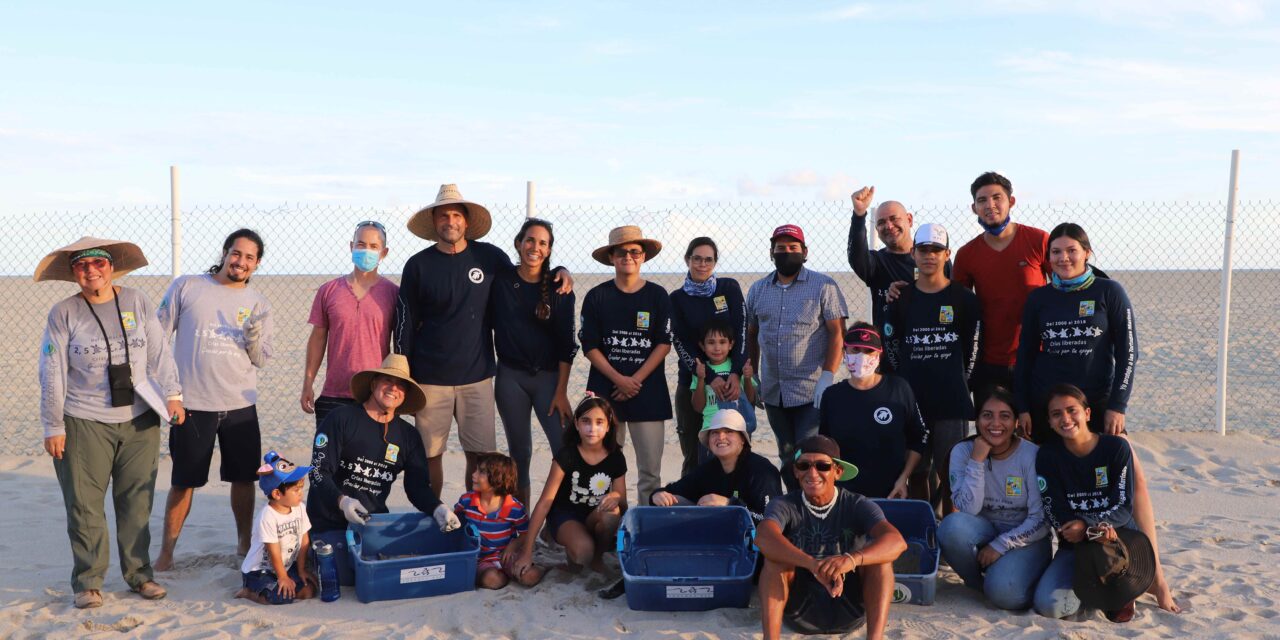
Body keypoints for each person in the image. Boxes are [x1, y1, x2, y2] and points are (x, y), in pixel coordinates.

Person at [1014, 222, 1179, 612]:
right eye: (1055, 252)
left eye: (1071, 250)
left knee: (1132, 481)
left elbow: (1128, 353)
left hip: (1100, 410)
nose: (1063, 258)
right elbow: (1024, 359)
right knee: (1058, 484)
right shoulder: (1040, 299)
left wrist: (1118, 405)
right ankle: (1075, 559)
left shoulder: (1109, 292)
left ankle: (1153, 574)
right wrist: (1023, 406)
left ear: (1087, 252)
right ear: (1047, 258)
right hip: (1050, 413)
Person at [395, 184, 571, 495]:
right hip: (429, 377)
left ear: (466, 221)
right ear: (434, 221)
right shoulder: (418, 265)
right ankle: (432, 514)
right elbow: (404, 322)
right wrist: (402, 372)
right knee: (430, 455)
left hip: (477, 377)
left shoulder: (489, 257)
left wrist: (560, 269)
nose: (451, 221)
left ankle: (474, 517)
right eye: (444, 215)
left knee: (479, 457)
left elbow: (529, 272)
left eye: (456, 215)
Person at [37, 237, 184, 608]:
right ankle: (88, 582)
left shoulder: (135, 299)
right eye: (82, 266)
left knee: (136, 501)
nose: (91, 271)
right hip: (83, 420)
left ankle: (139, 575)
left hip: (139, 419)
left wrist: (174, 393)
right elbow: (51, 370)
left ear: (111, 265)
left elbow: (158, 350)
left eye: (98, 263)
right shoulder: (63, 312)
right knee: (85, 505)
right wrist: (53, 425)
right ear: (74, 273)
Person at [155, 228, 272, 572]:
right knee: (184, 481)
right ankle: (166, 554)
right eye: (236, 253)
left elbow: (262, 358)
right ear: (225, 253)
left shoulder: (259, 303)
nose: (241, 261)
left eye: (249, 257)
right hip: (192, 404)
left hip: (239, 405)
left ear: (257, 264)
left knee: (244, 478)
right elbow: (158, 336)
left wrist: (251, 338)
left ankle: (243, 544)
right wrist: (169, 392)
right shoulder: (187, 286)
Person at [307, 354, 461, 586]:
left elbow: (416, 487)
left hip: (372, 523)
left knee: (389, 571)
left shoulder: (408, 436)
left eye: (401, 385)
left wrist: (438, 508)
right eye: (387, 381)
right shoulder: (340, 418)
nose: (393, 388)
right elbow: (318, 472)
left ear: (406, 395)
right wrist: (342, 501)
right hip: (330, 522)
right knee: (345, 577)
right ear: (373, 384)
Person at [757, 435, 906, 640]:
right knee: (774, 562)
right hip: (799, 610)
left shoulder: (857, 504)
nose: (812, 472)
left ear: (837, 471)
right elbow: (763, 537)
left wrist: (850, 560)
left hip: (850, 608)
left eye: (822, 466)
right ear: (795, 472)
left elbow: (896, 541)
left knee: (881, 563)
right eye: (804, 465)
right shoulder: (784, 505)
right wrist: (813, 565)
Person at [884, 223, 981, 513]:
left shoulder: (964, 299)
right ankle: (922, 527)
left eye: (936, 250)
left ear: (947, 254)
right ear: (913, 253)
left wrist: (961, 380)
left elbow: (972, 347)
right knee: (916, 470)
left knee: (951, 471)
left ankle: (950, 532)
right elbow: (892, 344)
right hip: (912, 401)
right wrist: (906, 381)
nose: (930, 256)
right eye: (924, 250)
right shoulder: (901, 298)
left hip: (951, 400)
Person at [1033, 385, 1147, 622]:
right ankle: (1089, 588)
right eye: (1056, 414)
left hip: (1116, 540)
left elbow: (1124, 507)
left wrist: (1088, 527)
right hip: (1074, 543)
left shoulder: (1115, 448)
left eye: (1072, 410)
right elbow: (1053, 508)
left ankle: (1120, 584)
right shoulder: (1047, 455)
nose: (1065, 418)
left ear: (1087, 413)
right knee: (1049, 607)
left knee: (1118, 608)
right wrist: (1077, 531)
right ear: (1050, 422)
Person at [747, 224, 848, 488]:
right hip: (773, 391)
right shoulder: (758, 289)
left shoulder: (823, 286)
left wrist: (828, 375)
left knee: (810, 454)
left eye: (793, 248)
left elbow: (837, 333)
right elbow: (751, 334)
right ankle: (794, 507)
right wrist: (754, 377)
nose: (786, 252)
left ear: (805, 252)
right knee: (787, 454)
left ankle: (818, 507)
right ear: (771, 253)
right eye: (780, 248)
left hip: (811, 390)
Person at [579, 225, 672, 506]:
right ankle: (609, 525)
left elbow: (663, 344)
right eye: (622, 252)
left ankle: (645, 527)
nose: (628, 256)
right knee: (604, 467)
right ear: (611, 257)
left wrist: (634, 381)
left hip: (649, 392)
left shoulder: (657, 296)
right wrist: (619, 379)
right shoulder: (597, 296)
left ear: (643, 256)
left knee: (649, 472)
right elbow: (590, 346)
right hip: (606, 392)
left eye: (635, 251)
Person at [936, 388, 1049, 611]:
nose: (995, 423)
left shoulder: (1031, 455)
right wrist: (977, 461)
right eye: (987, 415)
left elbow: (1041, 520)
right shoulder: (962, 451)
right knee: (950, 527)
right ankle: (977, 583)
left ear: (1016, 422)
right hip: (984, 528)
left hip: (1026, 536)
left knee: (1007, 597)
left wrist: (1001, 545)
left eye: (1004, 416)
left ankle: (1008, 577)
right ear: (977, 421)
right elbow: (968, 508)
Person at [491, 218, 577, 505]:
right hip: (510, 378)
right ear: (518, 243)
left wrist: (561, 391)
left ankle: (558, 522)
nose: (535, 247)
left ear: (549, 249)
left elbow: (567, 344)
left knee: (564, 450)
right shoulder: (501, 280)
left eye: (543, 243)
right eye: (530, 240)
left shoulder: (559, 287)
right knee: (520, 452)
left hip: (550, 380)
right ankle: (521, 520)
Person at [950, 172, 1048, 412]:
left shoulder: (1038, 240)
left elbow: (1065, 288)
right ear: (974, 208)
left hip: (1038, 359)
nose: (990, 205)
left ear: (1011, 201)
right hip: (989, 362)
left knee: (1036, 435)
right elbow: (955, 305)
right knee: (994, 434)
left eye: (997, 198)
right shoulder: (967, 254)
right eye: (982, 200)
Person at [514, 396, 628, 580]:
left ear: (608, 426)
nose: (592, 428)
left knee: (611, 514)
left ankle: (597, 559)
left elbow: (623, 501)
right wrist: (527, 552)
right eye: (586, 421)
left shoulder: (615, 457)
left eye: (599, 422)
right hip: (566, 515)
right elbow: (545, 502)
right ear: (576, 424)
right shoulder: (567, 455)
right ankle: (558, 538)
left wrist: (615, 495)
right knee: (583, 552)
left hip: (594, 515)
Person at [301, 220, 398, 428]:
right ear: (351, 247)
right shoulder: (328, 291)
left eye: (374, 247)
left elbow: (401, 345)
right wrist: (308, 382)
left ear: (384, 252)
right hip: (333, 393)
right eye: (361, 244)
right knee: (328, 459)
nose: (366, 251)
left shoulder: (393, 294)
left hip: (375, 395)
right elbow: (318, 338)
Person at [818, 323, 928, 499]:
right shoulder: (832, 396)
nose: (861, 357)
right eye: (855, 350)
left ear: (878, 354)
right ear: (845, 352)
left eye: (868, 351)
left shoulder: (898, 389)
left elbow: (918, 438)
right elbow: (825, 447)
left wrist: (903, 478)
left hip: (890, 494)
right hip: (845, 496)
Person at [670, 236, 749, 475]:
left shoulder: (729, 288)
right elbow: (680, 342)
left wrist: (735, 373)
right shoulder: (676, 299)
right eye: (696, 259)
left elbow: (742, 330)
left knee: (735, 450)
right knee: (694, 454)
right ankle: (692, 507)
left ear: (715, 262)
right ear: (687, 260)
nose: (702, 264)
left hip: (732, 383)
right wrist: (710, 376)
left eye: (708, 260)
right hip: (694, 383)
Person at [651, 409, 782, 523]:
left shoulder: (762, 471)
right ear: (708, 440)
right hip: (717, 541)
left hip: (753, 547)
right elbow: (673, 491)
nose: (721, 437)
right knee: (672, 502)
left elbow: (770, 521)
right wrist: (657, 495)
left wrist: (729, 504)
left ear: (742, 439)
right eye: (715, 432)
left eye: (729, 431)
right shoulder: (708, 470)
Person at [455, 453, 544, 589]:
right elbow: (455, 522)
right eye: (476, 469)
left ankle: (538, 569)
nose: (474, 474)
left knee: (530, 577)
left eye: (481, 472)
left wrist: (512, 546)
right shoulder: (466, 501)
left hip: (506, 556)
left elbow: (526, 533)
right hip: (481, 559)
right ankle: (503, 576)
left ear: (498, 479)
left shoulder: (514, 508)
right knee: (492, 579)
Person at [236, 451, 316, 605]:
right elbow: (273, 552)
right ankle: (248, 591)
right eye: (296, 490)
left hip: (285, 565)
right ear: (277, 494)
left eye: (301, 488)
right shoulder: (268, 516)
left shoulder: (299, 508)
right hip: (259, 570)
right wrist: (283, 577)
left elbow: (305, 541)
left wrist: (300, 570)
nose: (301, 494)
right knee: (279, 598)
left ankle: (285, 578)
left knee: (308, 591)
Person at [690, 318, 757, 448]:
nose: (717, 348)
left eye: (722, 342)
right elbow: (698, 407)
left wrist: (747, 378)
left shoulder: (737, 367)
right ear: (702, 346)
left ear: (731, 344)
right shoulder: (701, 369)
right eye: (711, 342)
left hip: (737, 429)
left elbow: (750, 399)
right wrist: (701, 379)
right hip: (711, 429)